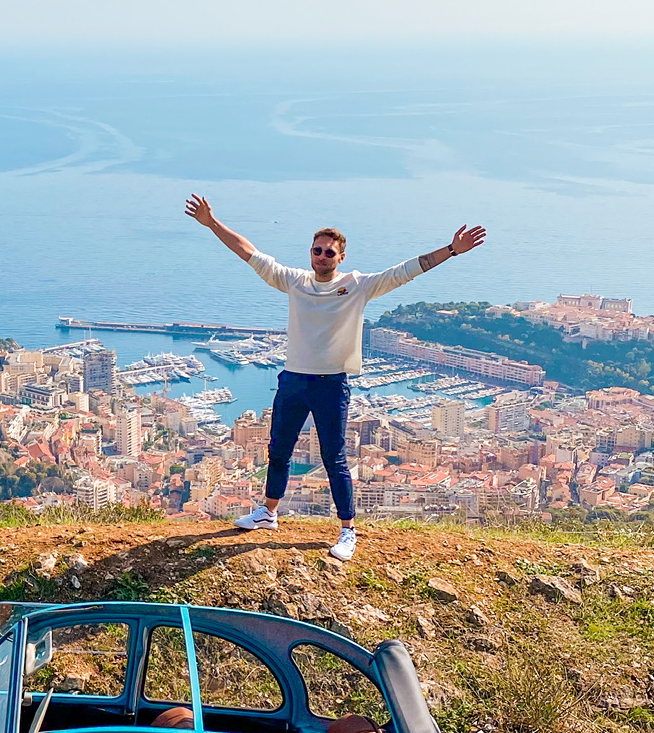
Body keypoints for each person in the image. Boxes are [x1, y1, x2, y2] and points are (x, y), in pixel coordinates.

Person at [184, 196, 486, 559]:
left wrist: (452, 249)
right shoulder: (294, 281)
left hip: (330, 383)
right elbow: (249, 252)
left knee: (334, 458)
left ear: (341, 257)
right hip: (293, 379)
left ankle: (347, 530)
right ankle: (269, 512)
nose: (322, 257)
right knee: (278, 451)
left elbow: (408, 269)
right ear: (310, 253)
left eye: (329, 253)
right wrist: (212, 223)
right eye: (317, 251)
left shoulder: (358, 286)